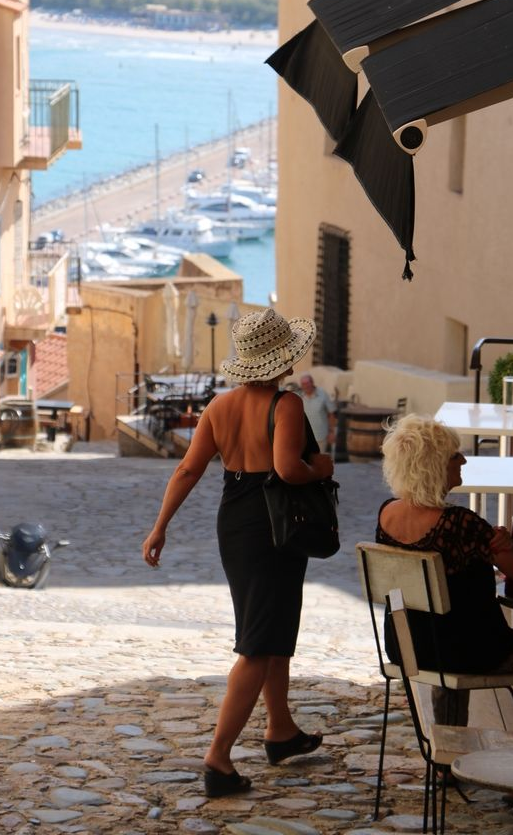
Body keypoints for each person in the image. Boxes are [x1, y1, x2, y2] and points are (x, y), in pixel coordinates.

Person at [142, 308, 335, 797]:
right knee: (256, 644)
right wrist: (322, 468)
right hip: (275, 525)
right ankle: (219, 758)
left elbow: (188, 470)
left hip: (236, 522)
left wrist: (161, 526)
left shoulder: (218, 407)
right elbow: (288, 469)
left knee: (271, 629)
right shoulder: (286, 405)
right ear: (281, 359)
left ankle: (281, 730)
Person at [378, 413, 513, 728]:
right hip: (470, 651)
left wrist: (492, 540)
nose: (463, 459)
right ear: (432, 465)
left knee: (448, 628)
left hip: (407, 647)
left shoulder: (387, 514)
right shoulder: (460, 523)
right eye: (454, 455)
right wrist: (499, 543)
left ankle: (447, 749)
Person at [299, 374, 336, 447]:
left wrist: (331, 432)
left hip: (321, 437)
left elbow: (331, 413)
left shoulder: (323, 394)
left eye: (307, 383)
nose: (306, 386)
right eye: (303, 384)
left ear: (312, 383)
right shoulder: (299, 396)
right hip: (304, 438)